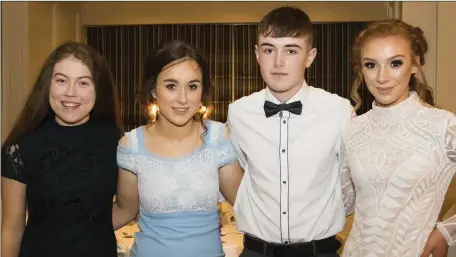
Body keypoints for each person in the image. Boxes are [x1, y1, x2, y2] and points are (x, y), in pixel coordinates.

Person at [227, 6, 354, 257]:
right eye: (268, 49)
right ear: (257, 54)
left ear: (310, 56)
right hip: (256, 252)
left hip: (319, 251)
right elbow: (240, 177)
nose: (278, 62)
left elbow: (349, 185)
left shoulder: (339, 111)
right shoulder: (238, 113)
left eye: (291, 50)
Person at [112, 40, 243, 257]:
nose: (183, 99)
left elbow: (245, 203)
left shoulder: (218, 138)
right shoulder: (131, 145)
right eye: (171, 86)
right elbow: (125, 210)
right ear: (153, 89)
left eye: (192, 86)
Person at [340, 19, 456, 257]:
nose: (382, 77)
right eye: (371, 65)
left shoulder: (444, 125)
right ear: (361, 70)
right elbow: (345, 204)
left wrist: (446, 231)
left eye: (395, 63)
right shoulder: (352, 129)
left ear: (414, 65)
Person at [1, 42, 121, 257]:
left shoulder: (118, 143)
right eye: (61, 81)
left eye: (83, 83)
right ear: (48, 85)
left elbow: (128, 208)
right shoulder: (19, 148)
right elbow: (11, 228)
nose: (71, 93)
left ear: (98, 88)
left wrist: (88, 229)